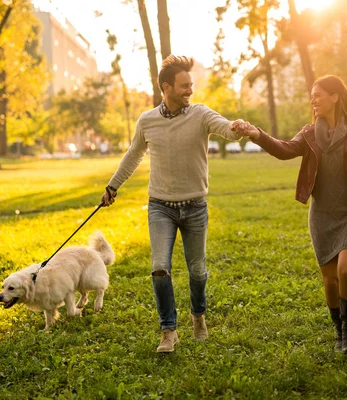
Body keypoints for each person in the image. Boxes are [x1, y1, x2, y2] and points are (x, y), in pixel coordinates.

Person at [100, 55, 243, 353]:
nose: (189, 91)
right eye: (184, 86)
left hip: (195, 207)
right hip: (161, 207)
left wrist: (237, 127)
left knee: (198, 270)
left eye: (191, 85)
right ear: (166, 87)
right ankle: (169, 331)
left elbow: (225, 128)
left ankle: (198, 317)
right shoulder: (147, 120)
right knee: (159, 268)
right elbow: (133, 155)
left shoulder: (201, 114)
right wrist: (113, 185)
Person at [233, 75, 347, 354]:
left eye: (318, 95)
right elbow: (284, 150)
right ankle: (338, 332)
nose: (313, 100)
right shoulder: (309, 134)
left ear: (335, 97)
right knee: (330, 279)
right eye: (311, 95)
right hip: (322, 213)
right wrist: (257, 134)